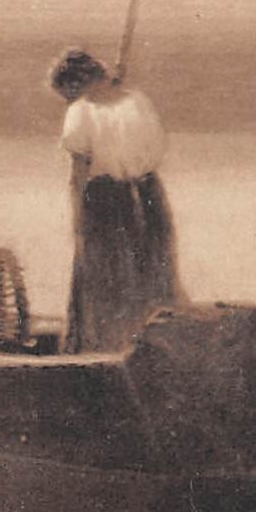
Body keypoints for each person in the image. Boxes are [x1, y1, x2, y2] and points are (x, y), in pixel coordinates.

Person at [50, 49, 182, 353]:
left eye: (65, 94)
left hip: (104, 200)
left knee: (101, 277)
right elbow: (154, 148)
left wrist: (77, 217)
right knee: (149, 270)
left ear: (74, 85)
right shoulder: (137, 100)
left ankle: (102, 350)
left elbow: (79, 170)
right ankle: (151, 347)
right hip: (149, 195)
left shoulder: (80, 111)